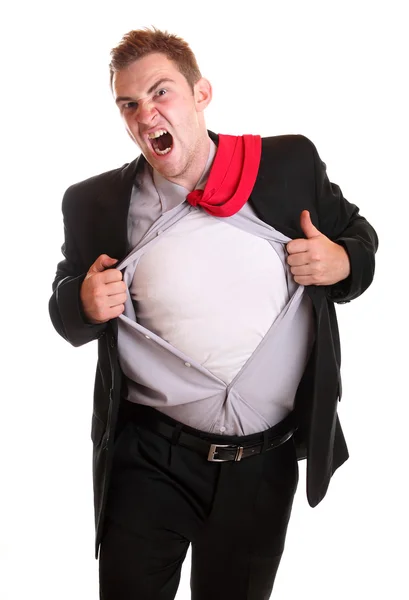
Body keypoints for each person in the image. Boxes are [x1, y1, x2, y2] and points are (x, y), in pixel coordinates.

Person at [49, 26, 378, 600]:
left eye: (160, 93)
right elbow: (62, 305)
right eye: (128, 103)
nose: (144, 114)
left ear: (201, 94)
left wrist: (341, 261)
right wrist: (81, 301)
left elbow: (359, 237)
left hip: (262, 463)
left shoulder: (286, 163)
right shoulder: (94, 202)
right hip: (150, 458)